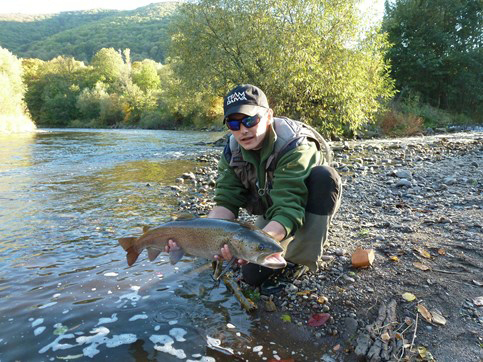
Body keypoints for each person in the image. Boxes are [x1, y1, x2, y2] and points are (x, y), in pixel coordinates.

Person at [168, 84, 342, 286]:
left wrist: (255, 244)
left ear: (268, 116)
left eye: (250, 120)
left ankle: (301, 259)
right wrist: (197, 238)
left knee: (324, 177)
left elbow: (288, 208)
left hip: (309, 202)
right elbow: (226, 203)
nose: (243, 130)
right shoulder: (231, 152)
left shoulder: (295, 146)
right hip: (272, 207)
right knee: (252, 276)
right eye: (234, 124)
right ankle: (276, 244)